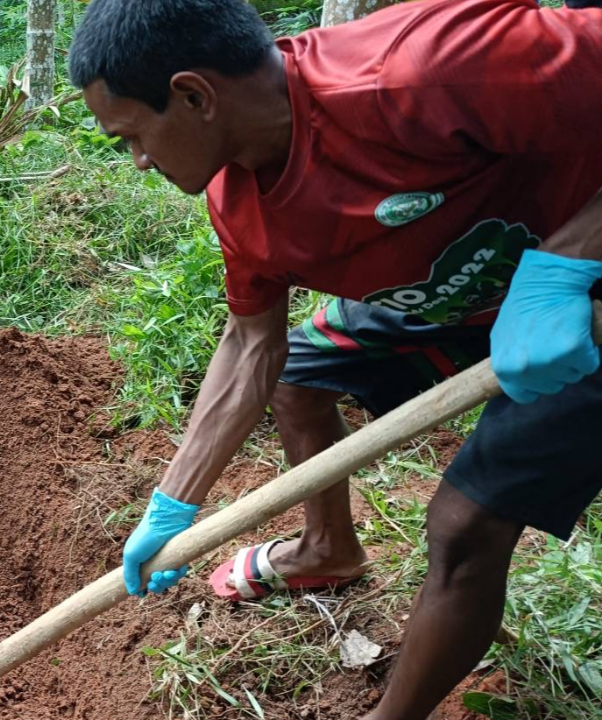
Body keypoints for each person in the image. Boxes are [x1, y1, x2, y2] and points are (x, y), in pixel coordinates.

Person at [67, 0, 602, 718]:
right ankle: (327, 549)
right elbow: (253, 344)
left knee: (464, 526)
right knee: (296, 375)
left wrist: (567, 266)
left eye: (133, 134)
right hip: (460, 289)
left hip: (578, 298)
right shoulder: (239, 201)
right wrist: (173, 505)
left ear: (194, 95)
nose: (137, 160)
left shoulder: (418, 72)